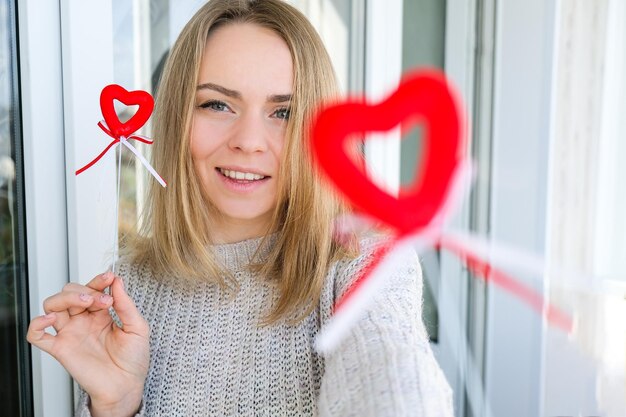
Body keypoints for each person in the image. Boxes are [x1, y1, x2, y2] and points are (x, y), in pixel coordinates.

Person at [26, 0, 453, 415]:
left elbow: (392, 371)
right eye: (217, 104)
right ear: (178, 119)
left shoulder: (364, 261)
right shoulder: (125, 290)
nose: (248, 140)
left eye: (283, 112)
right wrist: (116, 406)